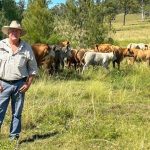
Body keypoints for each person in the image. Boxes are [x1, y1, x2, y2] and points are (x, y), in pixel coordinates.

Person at [0, 20, 38, 140]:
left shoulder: (27, 48)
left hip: (20, 85)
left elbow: (33, 68)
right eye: (12, 30)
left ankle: (13, 138)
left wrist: (28, 84)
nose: (14, 33)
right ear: (8, 32)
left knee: (17, 113)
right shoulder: (1, 45)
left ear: (20, 33)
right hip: (2, 84)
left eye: (17, 31)